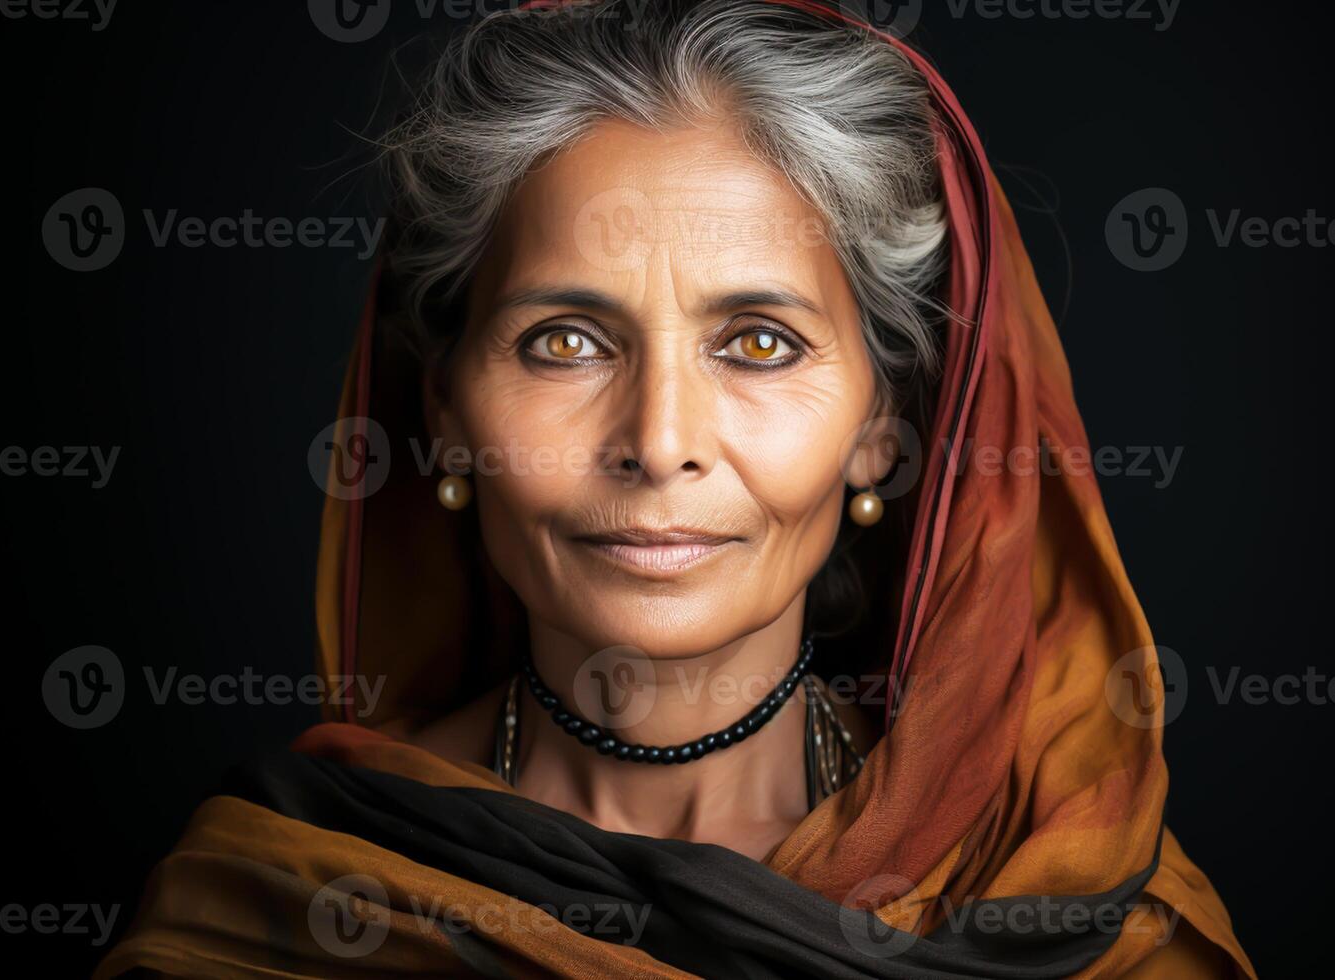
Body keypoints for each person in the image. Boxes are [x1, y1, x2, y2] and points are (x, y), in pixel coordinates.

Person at [96, 1, 1254, 975]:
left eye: (757, 343)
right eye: (564, 341)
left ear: (881, 432)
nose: (657, 442)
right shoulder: (271, 902)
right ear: (444, 414)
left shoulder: (1073, 907)